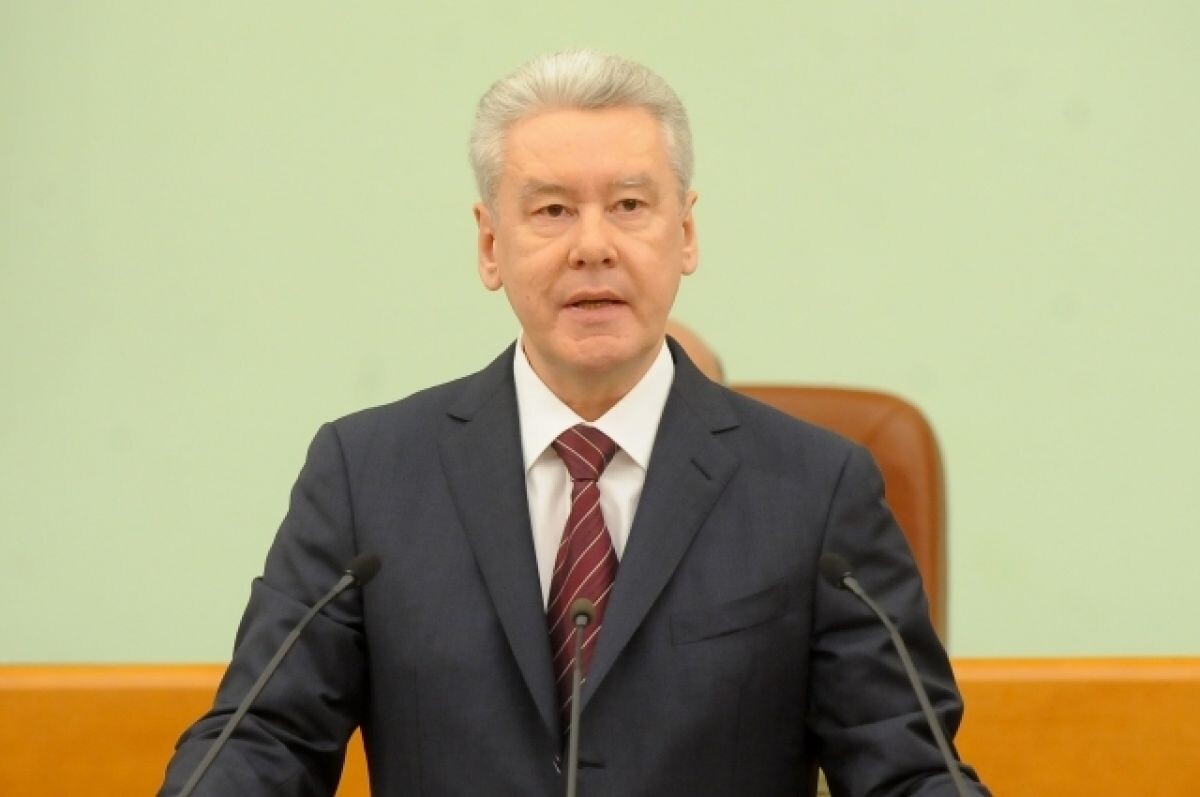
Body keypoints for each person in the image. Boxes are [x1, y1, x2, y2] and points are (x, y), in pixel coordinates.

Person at [160, 50, 989, 796]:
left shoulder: (816, 491)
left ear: (685, 233)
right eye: (553, 211)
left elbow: (908, 768)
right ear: (490, 244)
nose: (593, 246)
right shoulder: (366, 475)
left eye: (629, 204)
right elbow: (264, 738)